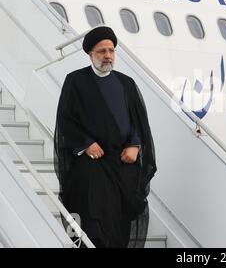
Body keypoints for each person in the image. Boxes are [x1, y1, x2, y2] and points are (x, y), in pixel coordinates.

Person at [54, 26, 156, 248]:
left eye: (111, 50)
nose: (108, 56)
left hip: (123, 164)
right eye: (102, 51)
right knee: (94, 225)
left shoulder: (126, 83)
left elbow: (139, 122)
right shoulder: (76, 81)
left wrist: (135, 145)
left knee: (119, 226)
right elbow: (65, 120)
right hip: (92, 165)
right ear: (90, 54)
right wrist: (86, 143)